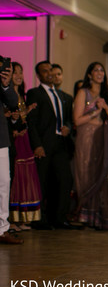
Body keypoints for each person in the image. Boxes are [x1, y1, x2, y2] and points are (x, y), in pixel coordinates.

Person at [71, 63, 108, 230]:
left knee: (101, 174)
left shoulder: (106, 94)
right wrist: (95, 110)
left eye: (102, 70)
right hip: (86, 137)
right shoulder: (83, 92)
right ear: (89, 75)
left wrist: (106, 107)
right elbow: (77, 120)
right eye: (96, 70)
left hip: (103, 137)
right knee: (86, 174)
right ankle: (84, 216)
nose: (100, 73)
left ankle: (97, 217)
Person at [26, 61, 74, 229]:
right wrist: (37, 145)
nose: (50, 74)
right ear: (38, 76)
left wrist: (67, 126)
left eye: (51, 70)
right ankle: (40, 219)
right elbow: (31, 122)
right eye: (45, 72)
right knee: (42, 181)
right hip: (44, 144)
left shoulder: (63, 96)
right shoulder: (34, 93)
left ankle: (59, 218)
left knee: (63, 180)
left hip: (61, 143)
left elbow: (68, 117)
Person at [8, 62, 41, 231]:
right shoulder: (7, 96)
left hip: (25, 139)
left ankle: (23, 218)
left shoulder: (21, 95)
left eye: (21, 72)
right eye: (15, 73)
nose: (19, 76)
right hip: (14, 141)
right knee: (16, 177)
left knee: (26, 176)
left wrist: (26, 113)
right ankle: (11, 218)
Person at [0, 58, 24, 244]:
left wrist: (6, 84)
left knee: (3, 182)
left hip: (1, 138)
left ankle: (2, 228)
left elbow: (13, 102)